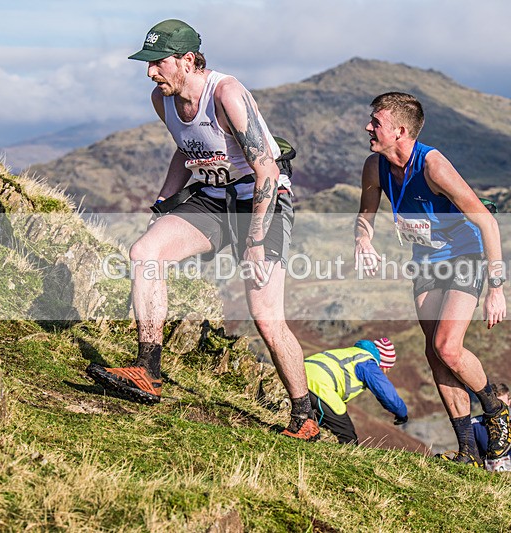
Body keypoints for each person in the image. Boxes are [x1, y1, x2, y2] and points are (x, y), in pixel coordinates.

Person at [86, 19, 319, 441]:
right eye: (148, 63)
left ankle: (304, 415)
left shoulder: (227, 94)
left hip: (261, 200)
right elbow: (185, 149)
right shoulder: (164, 100)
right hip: (213, 199)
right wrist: (163, 203)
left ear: (188, 60)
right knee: (145, 253)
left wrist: (255, 240)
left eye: (159, 63)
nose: (151, 72)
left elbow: (266, 168)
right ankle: (147, 370)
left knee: (266, 318)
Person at [354, 92, 511, 467]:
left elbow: (487, 221)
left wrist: (496, 288)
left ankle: (494, 409)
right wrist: (363, 239)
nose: (368, 127)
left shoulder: (433, 166)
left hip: (464, 256)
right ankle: (468, 453)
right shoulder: (374, 167)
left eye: (376, 122)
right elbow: (366, 212)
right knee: (435, 354)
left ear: (401, 130)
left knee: (448, 346)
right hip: (425, 262)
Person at [305, 337, 408, 444]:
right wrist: (401, 413)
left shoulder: (353, 353)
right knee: (347, 438)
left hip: (300, 374)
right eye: (386, 369)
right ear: (382, 363)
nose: (385, 372)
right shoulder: (368, 363)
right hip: (318, 385)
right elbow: (385, 392)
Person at [471, 383, 511, 470]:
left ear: (509, 402)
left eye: (503, 405)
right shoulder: (474, 425)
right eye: (497, 405)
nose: (499, 410)